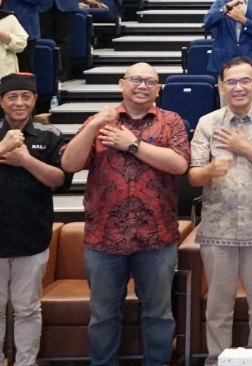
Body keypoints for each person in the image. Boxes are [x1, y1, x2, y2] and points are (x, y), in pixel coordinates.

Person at [59, 62, 191, 366]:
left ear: (158, 89)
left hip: (157, 238)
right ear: (122, 84)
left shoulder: (170, 122)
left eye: (150, 81)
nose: (142, 85)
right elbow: (69, 164)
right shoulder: (99, 122)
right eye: (136, 79)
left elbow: (179, 164)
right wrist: (93, 127)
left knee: (158, 314)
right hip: (104, 238)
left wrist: (130, 144)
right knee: (103, 316)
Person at [0, 73, 68, 366]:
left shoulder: (50, 135)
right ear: (1, 101)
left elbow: (60, 180)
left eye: (25, 97)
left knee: (28, 309)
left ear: (34, 101)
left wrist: (26, 160)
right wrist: (0, 150)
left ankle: (26, 362)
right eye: (12, 97)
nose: (19, 103)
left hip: (32, 236)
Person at [187, 57, 252, 355]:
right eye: (231, 81)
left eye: (245, 80)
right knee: (218, 309)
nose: (238, 87)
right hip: (218, 229)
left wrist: (245, 148)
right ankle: (218, 360)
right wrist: (209, 171)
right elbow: (193, 175)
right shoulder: (207, 123)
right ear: (221, 86)